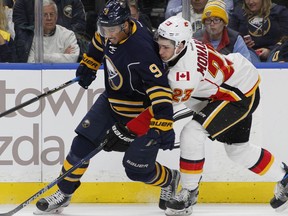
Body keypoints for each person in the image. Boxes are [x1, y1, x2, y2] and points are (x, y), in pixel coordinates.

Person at [33, 0, 179, 214]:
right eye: (104, 28)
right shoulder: (109, 29)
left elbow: (160, 89)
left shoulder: (142, 49)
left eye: (112, 30)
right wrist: (89, 64)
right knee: (80, 146)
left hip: (139, 114)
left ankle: (170, 180)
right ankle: (63, 193)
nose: (107, 34)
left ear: (126, 24)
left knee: (137, 169)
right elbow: (98, 44)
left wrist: (164, 123)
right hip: (110, 103)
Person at [152, 16, 288, 216]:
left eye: (165, 48)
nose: (160, 52)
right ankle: (285, 178)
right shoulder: (184, 46)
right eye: (159, 46)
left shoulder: (184, 76)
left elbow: (161, 107)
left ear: (180, 45)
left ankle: (189, 192)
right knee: (238, 151)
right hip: (239, 81)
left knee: (192, 133)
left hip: (236, 95)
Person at [12, 0, 86, 62]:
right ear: (37, 17)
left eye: (51, 14)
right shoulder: (30, 36)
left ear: (56, 16)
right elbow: (31, 61)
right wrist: (61, 56)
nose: (49, 18)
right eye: (44, 15)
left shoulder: (68, 35)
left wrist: (41, 57)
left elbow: (72, 60)